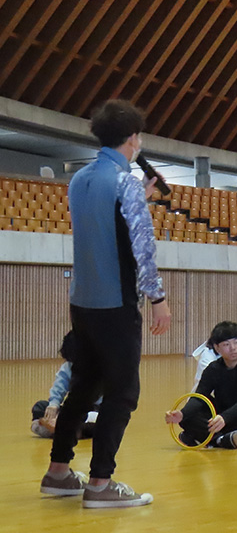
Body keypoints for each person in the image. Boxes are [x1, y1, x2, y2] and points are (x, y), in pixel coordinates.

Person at [40, 99, 171, 509]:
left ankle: (58, 473)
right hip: (116, 304)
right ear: (133, 138)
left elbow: (103, 228)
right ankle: (100, 483)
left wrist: (138, 201)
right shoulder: (125, 182)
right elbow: (142, 248)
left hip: (82, 303)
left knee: (83, 386)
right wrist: (158, 298)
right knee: (122, 393)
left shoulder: (79, 179)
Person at [165, 321, 237, 448]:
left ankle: (204, 436)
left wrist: (225, 417)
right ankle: (220, 440)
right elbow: (199, 396)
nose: (233, 348)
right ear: (217, 348)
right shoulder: (213, 369)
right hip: (224, 415)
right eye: (226, 344)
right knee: (190, 415)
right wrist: (182, 414)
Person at [31, 331, 100, 439]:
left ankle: (59, 428)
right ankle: (65, 428)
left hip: (94, 410)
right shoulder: (68, 367)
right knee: (39, 407)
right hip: (73, 410)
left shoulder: (101, 366)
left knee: (96, 418)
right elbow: (59, 387)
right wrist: (53, 405)